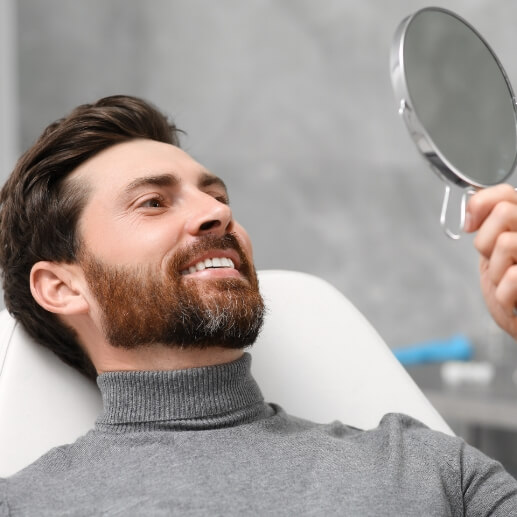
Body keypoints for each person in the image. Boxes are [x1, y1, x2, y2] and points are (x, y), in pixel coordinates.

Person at [0, 95, 516, 516]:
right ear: (62, 288)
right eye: (153, 202)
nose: (215, 213)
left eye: (218, 196)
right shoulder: (22, 505)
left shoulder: (425, 469)